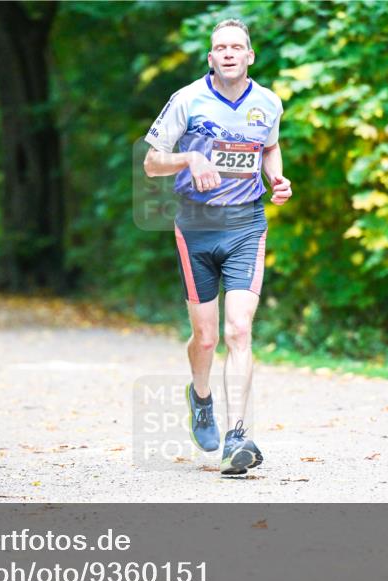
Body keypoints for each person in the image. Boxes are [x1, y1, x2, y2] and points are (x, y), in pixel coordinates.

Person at [143, 18, 293, 475]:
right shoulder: (187, 100)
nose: (228, 53)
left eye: (236, 47)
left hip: (247, 223)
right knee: (206, 337)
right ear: (211, 58)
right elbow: (151, 163)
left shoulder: (268, 102)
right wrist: (190, 157)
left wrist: (277, 178)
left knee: (239, 330)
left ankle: (237, 436)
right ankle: (201, 397)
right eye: (220, 48)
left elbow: (269, 147)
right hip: (196, 225)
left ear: (249, 56)